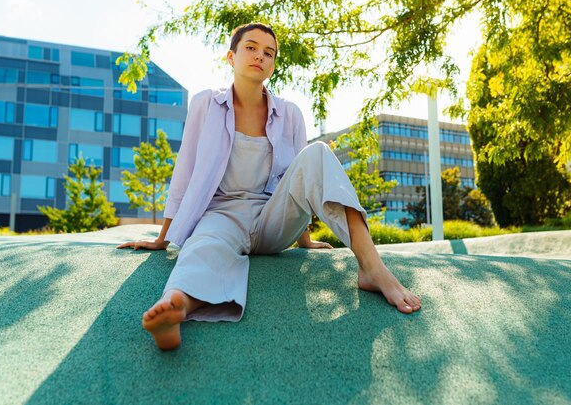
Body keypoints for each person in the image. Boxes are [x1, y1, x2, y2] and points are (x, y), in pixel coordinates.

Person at [117, 22, 421, 350]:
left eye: (268, 52)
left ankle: (372, 270)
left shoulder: (289, 113)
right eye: (251, 47)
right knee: (201, 248)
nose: (260, 56)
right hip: (221, 215)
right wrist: (165, 238)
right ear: (230, 56)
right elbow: (186, 168)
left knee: (317, 153)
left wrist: (304, 239)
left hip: (271, 217)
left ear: (273, 65)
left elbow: (301, 177)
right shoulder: (205, 104)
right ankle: (175, 308)